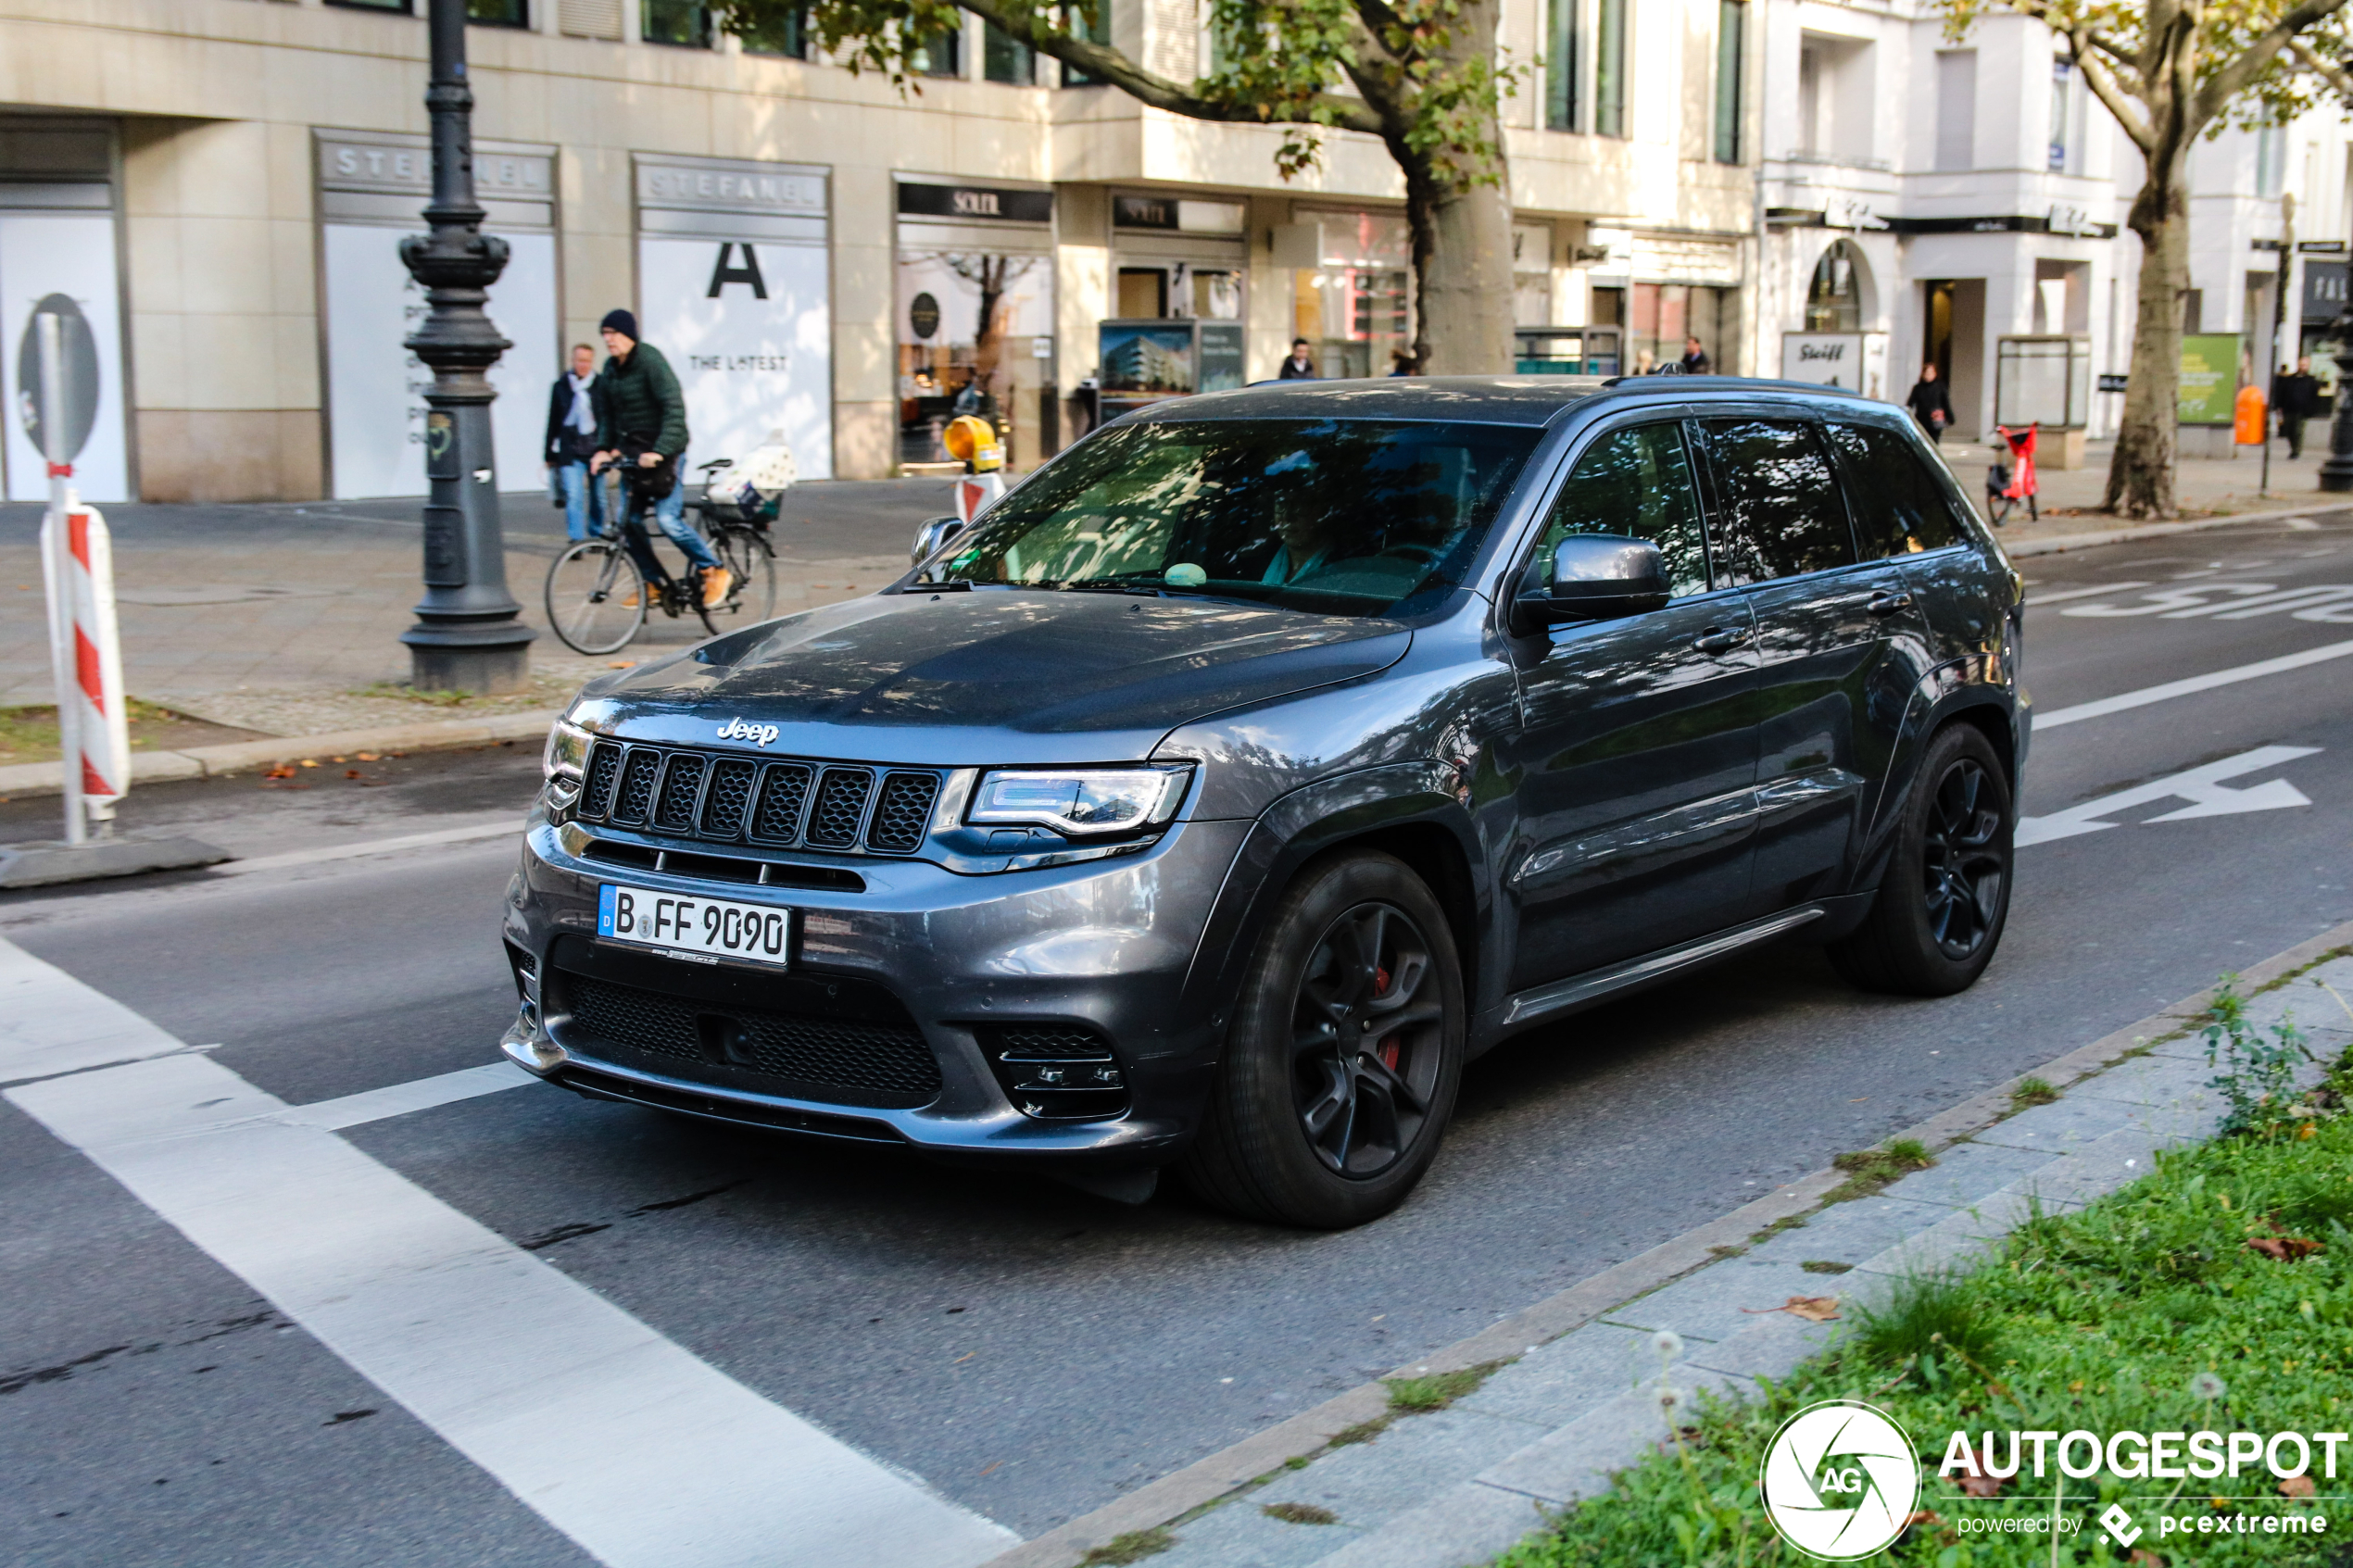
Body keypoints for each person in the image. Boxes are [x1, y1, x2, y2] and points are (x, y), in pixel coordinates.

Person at [590, 308, 729, 608]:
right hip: (635, 454)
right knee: (629, 522)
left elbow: (673, 408)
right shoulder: (610, 370)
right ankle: (653, 583)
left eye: (613, 333)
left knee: (668, 519)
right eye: (605, 334)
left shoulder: (650, 361)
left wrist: (661, 450)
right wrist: (604, 448)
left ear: (629, 335)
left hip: (665, 453)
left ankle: (713, 569)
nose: (608, 340)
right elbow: (607, 416)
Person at [544, 343, 606, 544]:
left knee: (599, 498)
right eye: (580, 360)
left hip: (596, 451)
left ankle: (596, 535)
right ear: (573, 360)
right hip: (571, 451)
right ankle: (577, 540)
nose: (583, 365)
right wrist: (549, 454)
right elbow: (553, 420)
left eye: (587, 361)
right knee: (574, 497)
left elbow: (609, 419)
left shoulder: (601, 385)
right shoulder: (560, 387)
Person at [2273, 355, 2322, 458]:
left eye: (2305, 365)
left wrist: (2312, 409)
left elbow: (2315, 396)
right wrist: (2279, 406)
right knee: (2289, 431)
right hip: (2289, 409)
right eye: (2301, 364)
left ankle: (2296, 451)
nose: (2303, 367)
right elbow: (2282, 393)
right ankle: (2293, 448)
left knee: (2298, 431)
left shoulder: (2311, 381)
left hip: (2302, 410)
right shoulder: (2290, 379)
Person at [1906, 362, 1954, 445]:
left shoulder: (1940, 387)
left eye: (1931, 373)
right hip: (1922, 419)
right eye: (1927, 373)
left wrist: (1950, 417)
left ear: (1935, 374)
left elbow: (1946, 403)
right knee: (1923, 442)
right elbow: (1910, 403)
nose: (1928, 375)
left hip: (1935, 420)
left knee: (1934, 443)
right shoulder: (1918, 388)